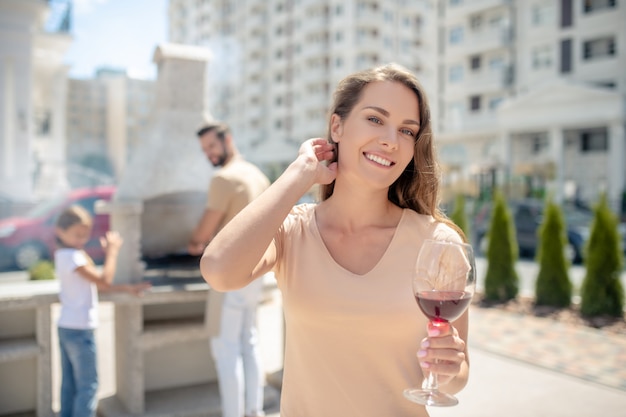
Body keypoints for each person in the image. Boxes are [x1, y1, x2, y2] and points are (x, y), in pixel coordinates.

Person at [199, 63, 470, 417]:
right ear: (337, 126)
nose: (391, 139)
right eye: (375, 119)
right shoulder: (294, 231)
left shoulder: (438, 243)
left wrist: (449, 370)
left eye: (407, 130)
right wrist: (299, 175)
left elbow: (457, 376)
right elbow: (219, 270)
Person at [188, 122, 270, 417]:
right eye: (204, 150)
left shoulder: (224, 178)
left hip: (228, 275)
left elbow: (203, 232)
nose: (208, 153)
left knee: (225, 349)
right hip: (256, 273)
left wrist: (194, 243)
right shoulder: (257, 175)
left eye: (211, 146)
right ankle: (254, 411)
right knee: (249, 341)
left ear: (227, 140)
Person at [55, 205, 151, 417]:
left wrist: (127, 288)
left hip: (66, 326)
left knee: (69, 384)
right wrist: (113, 251)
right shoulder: (74, 257)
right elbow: (105, 281)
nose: (82, 239)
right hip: (80, 329)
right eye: (77, 234)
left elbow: (95, 285)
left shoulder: (63, 255)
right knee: (88, 386)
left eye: (85, 235)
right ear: (60, 231)